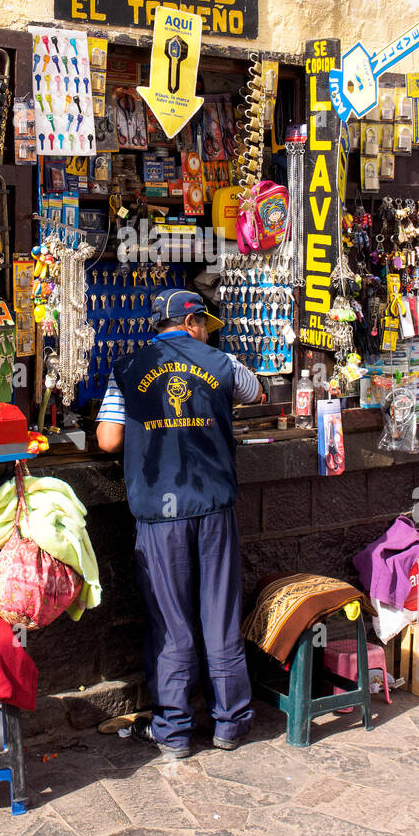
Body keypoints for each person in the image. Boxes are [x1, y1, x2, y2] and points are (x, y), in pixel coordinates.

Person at [96, 288, 265, 758]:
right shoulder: (223, 362)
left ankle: (173, 731)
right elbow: (258, 392)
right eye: (205, 322)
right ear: (191, 322)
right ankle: (230, 723)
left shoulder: (127, 368)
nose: (209, 329)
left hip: (159, 514)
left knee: (171, 622)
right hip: (212, 509)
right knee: (220, 616)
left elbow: (109, 439)